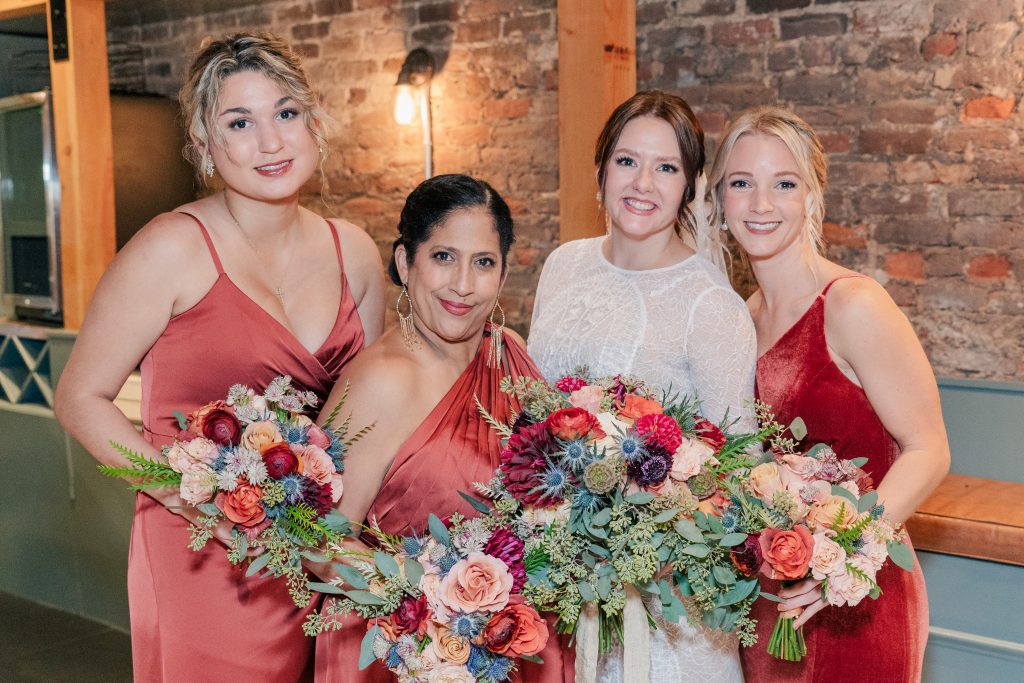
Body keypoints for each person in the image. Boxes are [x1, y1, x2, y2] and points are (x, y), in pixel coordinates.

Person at [54, 32, 384, 681]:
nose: (271, 141)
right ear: (204, 141)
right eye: (240, 122)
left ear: (314, 124)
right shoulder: (169, 249)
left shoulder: (355, 251)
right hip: (204, 555)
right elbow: (78, 399)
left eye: (286, 113)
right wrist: (198, 503)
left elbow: (366, 412)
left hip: (322, 549)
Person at [705, 105, 949, 682]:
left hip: (857, 599)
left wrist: (845, 557)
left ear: (813, 196)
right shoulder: (741, 318)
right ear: (718, 200)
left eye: (784, 184)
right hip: (772, 601)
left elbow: (929, 449)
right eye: (741, 183)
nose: (761, 204)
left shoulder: (852, 304)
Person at [528, 90, 756, 682]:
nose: (643, 183)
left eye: (666, 168)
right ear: (600, 170)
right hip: (560, 589)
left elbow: (739, 467)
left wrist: (643, 534)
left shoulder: (710, 304)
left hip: (666, 611)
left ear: (691, 186)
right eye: (627, 160)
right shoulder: (563, 265)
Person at [312, 174, 571, 682]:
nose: (463, 285)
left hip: (515, 646)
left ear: (503, 274)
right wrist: (438, 604)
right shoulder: (382, 380)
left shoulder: (509, 352)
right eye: (444, 257)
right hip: (410, 655)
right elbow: (319, 540)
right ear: (405, 261)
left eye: (484, 262)